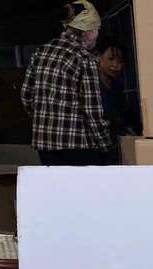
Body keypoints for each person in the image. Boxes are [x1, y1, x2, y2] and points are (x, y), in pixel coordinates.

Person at [21, 1, 111, 166]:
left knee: (55, 184)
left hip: (44, 143)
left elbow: (26, 96)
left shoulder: (41, 52)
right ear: (88, 31)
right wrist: (105, 145)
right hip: (78, 145)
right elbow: (92, 111)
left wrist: (43, 119)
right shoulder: (84, 59)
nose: (97, 35)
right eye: (96, 29)